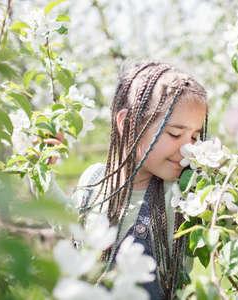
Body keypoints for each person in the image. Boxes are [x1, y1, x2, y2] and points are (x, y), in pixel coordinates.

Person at [49, 62, 208, 300]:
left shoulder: (182, 196)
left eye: (195, 137)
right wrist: (39, 171)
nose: (188, 148)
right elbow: (68, 220)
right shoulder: (94, 180)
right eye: (175, 134)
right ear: (127, 123)